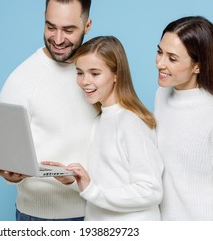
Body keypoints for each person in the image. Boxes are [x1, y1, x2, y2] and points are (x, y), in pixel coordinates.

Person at [0, 0, 98, 221]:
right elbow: (8, 156)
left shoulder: (100, 73)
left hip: (100, 213)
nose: (58, 39)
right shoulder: (21, 80)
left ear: (87, 25)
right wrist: (10, 174)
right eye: (50, 27)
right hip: (39, 218)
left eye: (68, 30)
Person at [45, 36, 164, 220]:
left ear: (116, 74)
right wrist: (73, 180)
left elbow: (151, 190)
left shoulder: (132, 123)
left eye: (94, 73)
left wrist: (93, 191)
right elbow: (105, 184)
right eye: (80, 72)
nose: (85, 81)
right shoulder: (99, 121)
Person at [154, 16, 213, 220]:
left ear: (198, 65)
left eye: (172, 58)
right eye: (159, 52)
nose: (160, 64)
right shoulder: (162, 95)